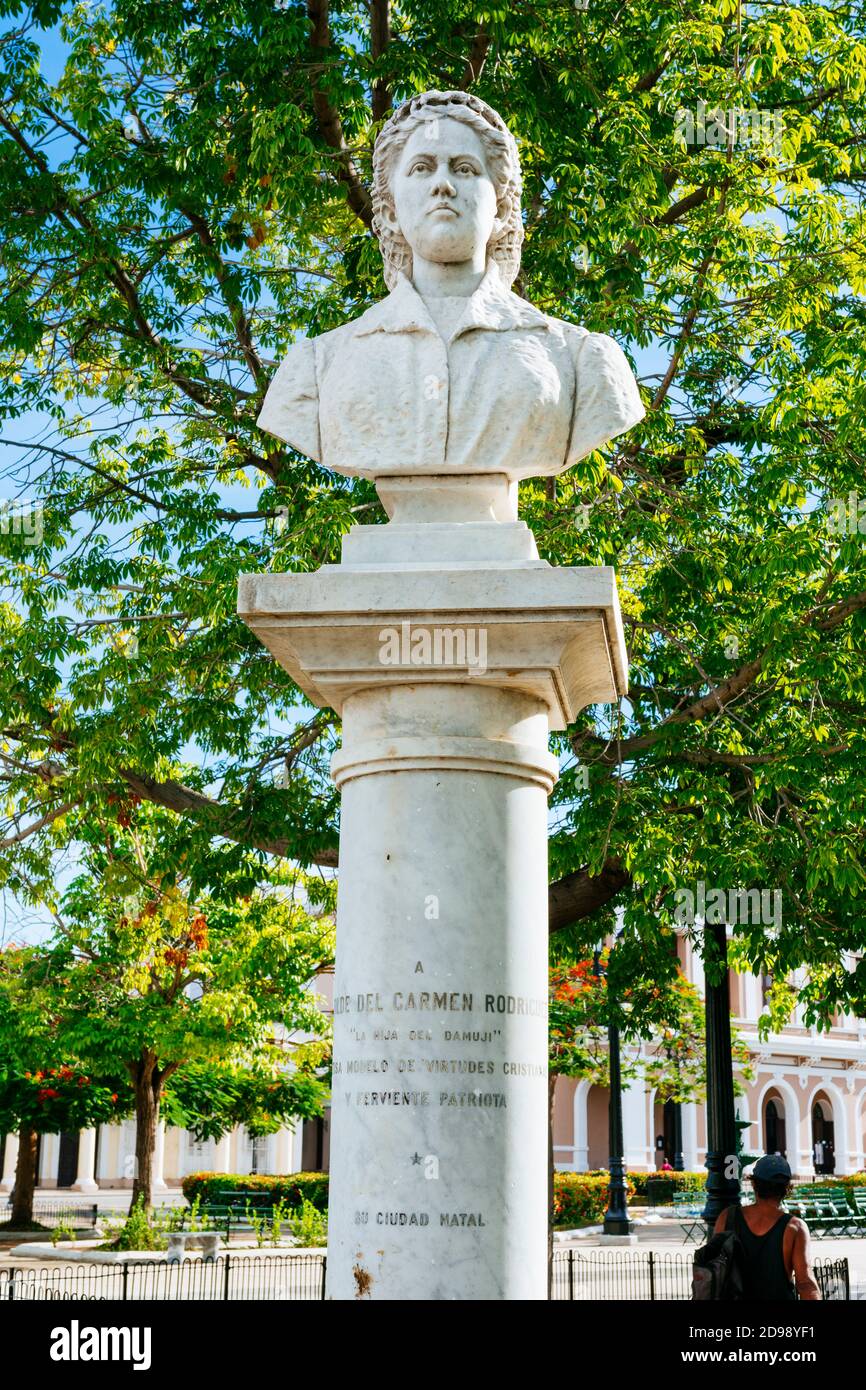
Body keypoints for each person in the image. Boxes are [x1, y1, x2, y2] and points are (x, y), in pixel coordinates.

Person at [257, 89, 644, 500]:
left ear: (500, 207)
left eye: (463, 169)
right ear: (388, 210)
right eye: (422, 168)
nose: (442, 184)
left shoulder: (580, 361)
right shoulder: (318, 367)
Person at [713, 1155, 820, 1300]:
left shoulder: (726, 1217)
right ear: (786, 1188)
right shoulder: (795, 1228)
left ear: (754, 1184)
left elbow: (713, 1271)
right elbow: (805, 1283)